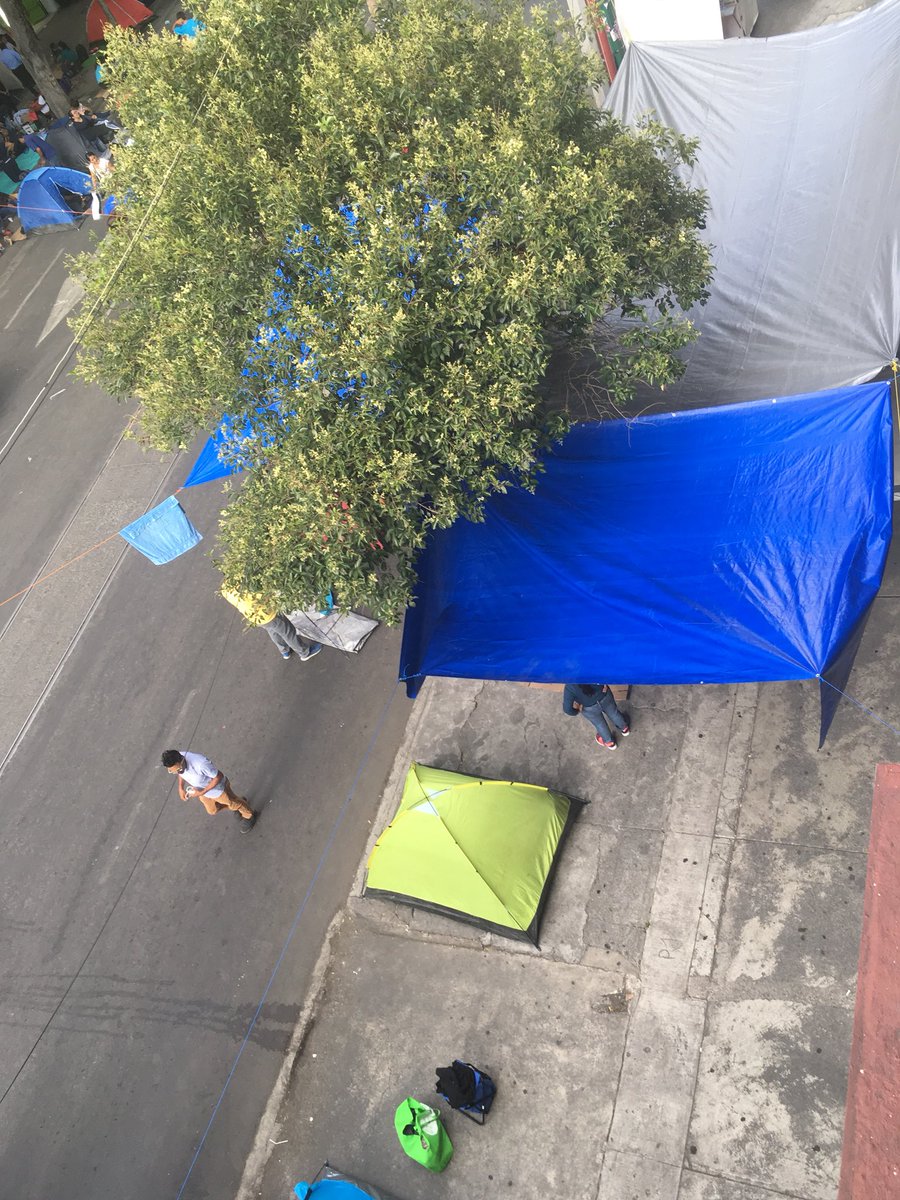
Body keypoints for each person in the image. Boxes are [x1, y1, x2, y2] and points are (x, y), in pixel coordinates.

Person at [161, 748, 258, 831]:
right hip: (204, 792)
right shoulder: (178, 758)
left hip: (219, 790)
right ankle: (239, 803)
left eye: (176, 769)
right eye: (171, 771)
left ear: (181, 761)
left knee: (232, 803)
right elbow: (181, 773)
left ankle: (249, 815)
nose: (174, 772)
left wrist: (202, 792)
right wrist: (180, 787)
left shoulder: (201, 764)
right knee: (212, 810)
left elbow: (218, 776)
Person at [222, 587, 323, 662]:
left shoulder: (224, 589)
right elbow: (262, 595)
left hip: (255, 618)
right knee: (287, 632)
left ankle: (284, 651)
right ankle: (305, 652)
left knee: (273, 631)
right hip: (268, 614)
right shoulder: (244, 586)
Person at [563, 683, 631, 749]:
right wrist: (604, 683)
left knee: (600, 724)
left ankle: (610, 743)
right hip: (604, 696)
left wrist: (577, 710)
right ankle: (624, 728)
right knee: (614, 713)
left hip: (589, 708)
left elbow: (567, 709)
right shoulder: (591, 671)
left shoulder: (569, 687)